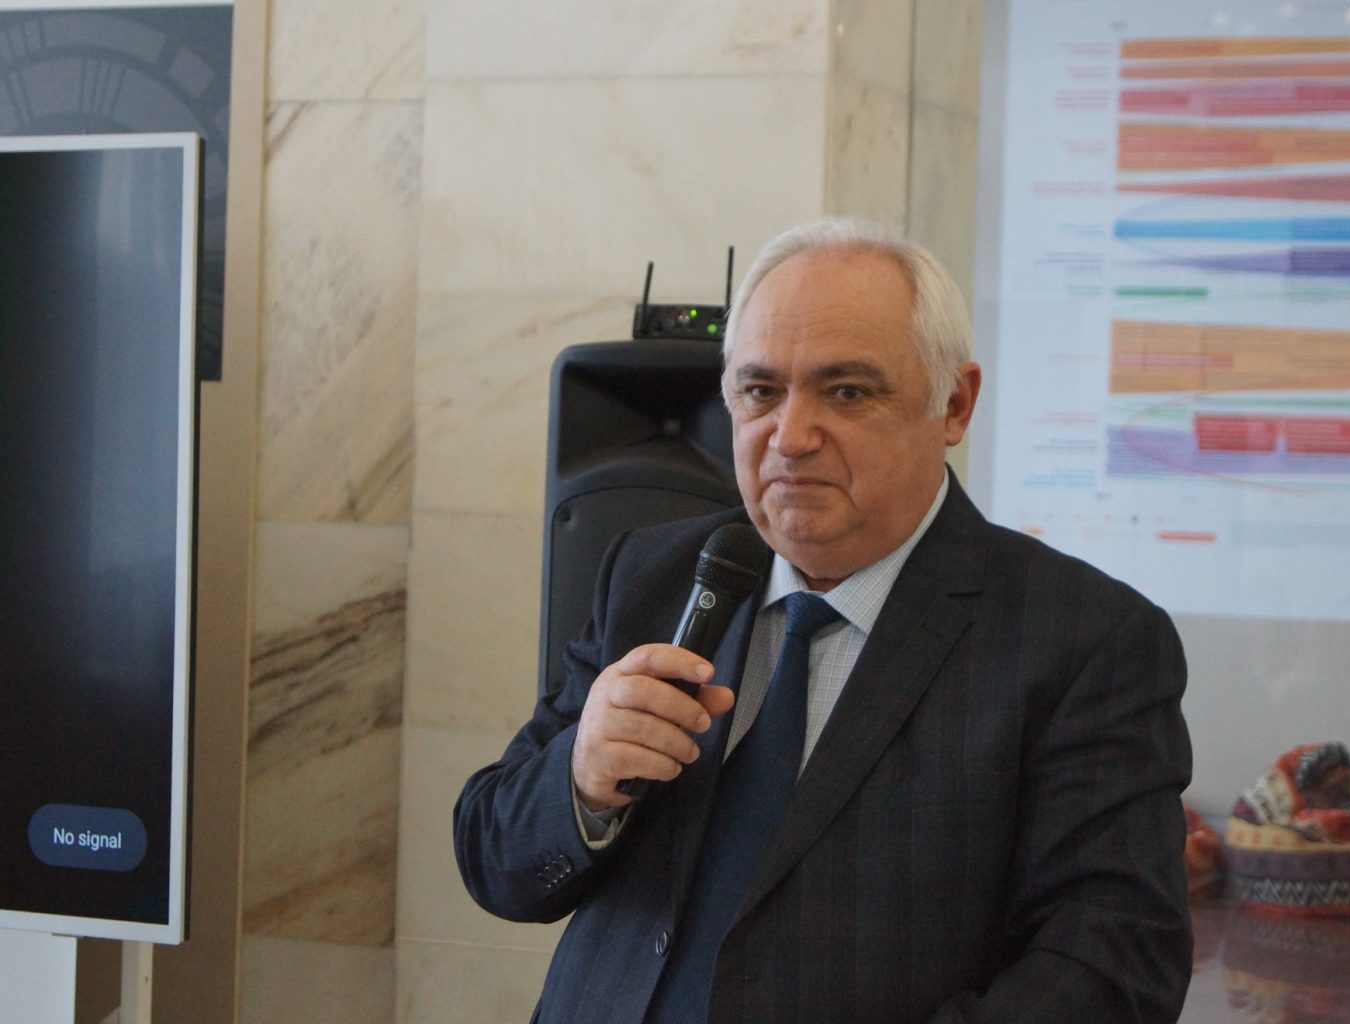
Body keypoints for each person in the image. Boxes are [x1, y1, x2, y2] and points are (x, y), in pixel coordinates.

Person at [454, 218, 1193, 1023]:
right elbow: (497, 865)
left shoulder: (1085, 639)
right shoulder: (653, 575)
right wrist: (581, 780)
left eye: (847, 392)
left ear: (953, 404)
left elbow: (1112, 965)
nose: (791, 437)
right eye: (760, 391)